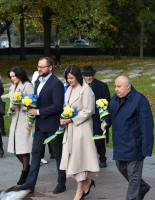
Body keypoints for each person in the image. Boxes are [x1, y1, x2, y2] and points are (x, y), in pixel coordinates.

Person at [9, 57, 66, 194]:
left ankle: (61, 183)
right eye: (38, 66)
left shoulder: (56, 83)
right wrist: (30, 112)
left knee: (58, 155)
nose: (39, 69)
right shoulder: (37, 82)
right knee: (35, 155)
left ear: (50, 68)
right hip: (39, 126)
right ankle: (30, 184)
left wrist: (38, 111)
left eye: (42, 67)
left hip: (53, 126)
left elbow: (57, 106)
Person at [103, 75, 154, 200]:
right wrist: (106, 122)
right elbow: (110, 113)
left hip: (135, 144)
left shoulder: (140, 100)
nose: (116, 89)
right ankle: (142, 187)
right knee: (121, 168)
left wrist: (146, 149)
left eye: (119, 86)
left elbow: (147, 125)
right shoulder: (115, 98)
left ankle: (134, 194)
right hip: (120, 143)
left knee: (134, 177)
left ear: (128, 86)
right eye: (115, 86)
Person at [60, 66, 100, 200]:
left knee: (80, 159)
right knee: (74, 159)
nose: (69, 81)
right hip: (70, 129)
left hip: (81, 129)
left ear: (78, 76)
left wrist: (72, 118)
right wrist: (64, 115)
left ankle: (79, 192)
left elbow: (89, 110)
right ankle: (87, 182)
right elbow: (67, 105)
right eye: (67, 78)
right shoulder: (69, 89)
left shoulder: (86, 90)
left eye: (71, 78)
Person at [7, 66, 34, 185]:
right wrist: (10, 109)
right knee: (16, 149)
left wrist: (21, 107)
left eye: (14, 76)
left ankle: (24, 173)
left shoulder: (28, 86)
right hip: (15, 120)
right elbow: (12, 102)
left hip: (25, 120)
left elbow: (32, 103)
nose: (12, 78)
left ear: (20, 75)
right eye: (11, 76)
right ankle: (28, 168)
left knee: (23, 148)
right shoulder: (13, 86)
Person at [82, 65, 111, 168]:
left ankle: (102, 158)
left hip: (97, 117)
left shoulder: (102, 86)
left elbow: (108, 102)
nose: (88, 78)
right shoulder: (80, 86)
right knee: (85, 139)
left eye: (90, 75)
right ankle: (88, 160)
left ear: (93, 75)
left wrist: (105, 118)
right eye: (86, 76)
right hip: (84, 117)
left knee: (99, 139)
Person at [31, 70, 54, 164]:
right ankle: (31, 178)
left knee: (56, 150)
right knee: (36, 152)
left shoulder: (54, 83)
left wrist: (39, 111)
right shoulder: (36, 84)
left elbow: (56, 105)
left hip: (50, 120)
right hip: (39, 123)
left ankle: (61, 177)